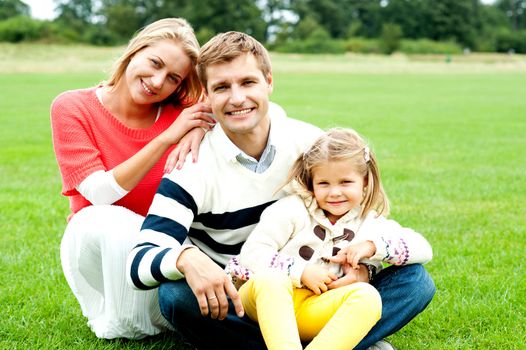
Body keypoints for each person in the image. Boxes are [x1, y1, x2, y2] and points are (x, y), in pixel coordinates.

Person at [127, 31, 436, 350]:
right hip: (240, 300)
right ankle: (343, 341)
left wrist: (363, 270)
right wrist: (186, 258)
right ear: (206, 95)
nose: (236, 98)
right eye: (222, 87)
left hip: (321, 290)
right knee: (175, 296)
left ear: (268, 81)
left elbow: (358, 220)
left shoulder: (310, 144)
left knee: (415, 282)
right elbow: (138, 262)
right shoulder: (190, 166)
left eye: (248, 82)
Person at [50, 18, 216, 339]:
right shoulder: (72, 107)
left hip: (159, 251)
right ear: (134, 51)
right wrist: (167, 137)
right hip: (99, 248)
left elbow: (232, 97)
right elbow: (98, 193)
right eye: (154, 63)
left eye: (173, 78)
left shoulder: (182, 112)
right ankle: (130, 314)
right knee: (105, 218)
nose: (157, 81)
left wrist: (197, 124)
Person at [230, 127, 433, 349]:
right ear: (311, 183)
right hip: (268, 303)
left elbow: (423, 248)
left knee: (367, 296)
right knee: (272, 280)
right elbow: (252, 253)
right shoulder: (291, 210)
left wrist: (372, 246)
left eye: (345, 182)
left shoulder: (369, 223)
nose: (334, 192)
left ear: (365, 181)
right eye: (324, 184)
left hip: (316, 308)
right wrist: (301, 271)